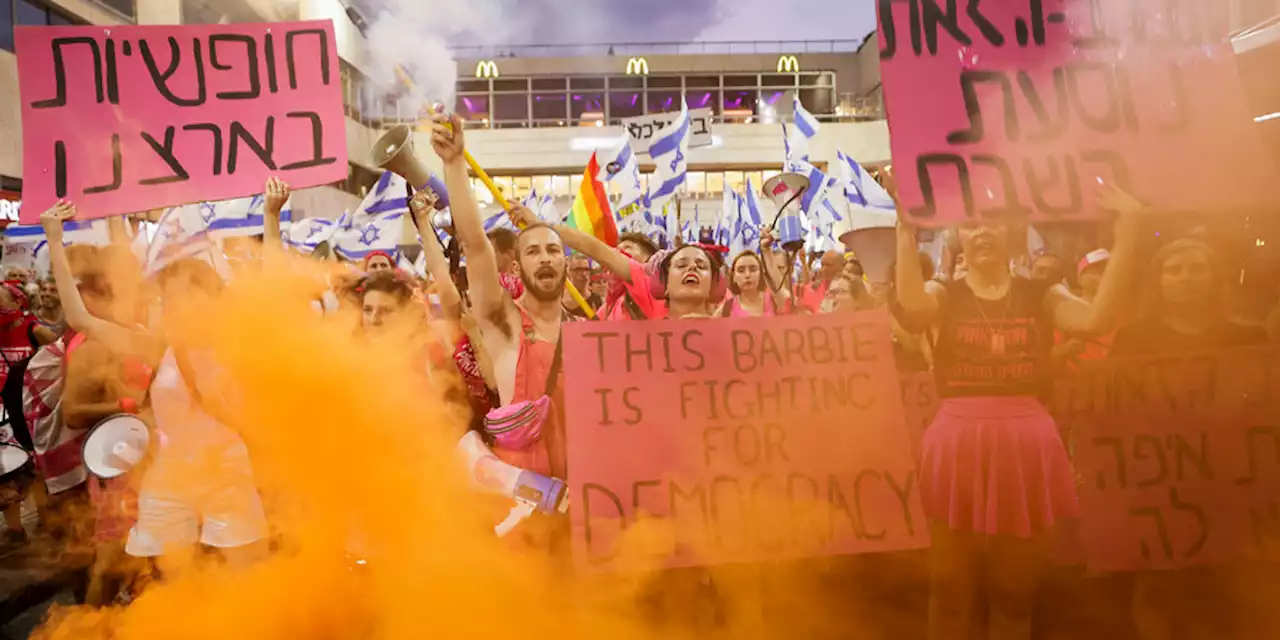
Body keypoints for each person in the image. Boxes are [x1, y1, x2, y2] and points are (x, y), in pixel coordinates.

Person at [894, 181, 1144, 640]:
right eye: (970, 224)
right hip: (956, 447)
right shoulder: (943, 290)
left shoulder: (1041, 291)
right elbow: (912, 309)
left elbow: (1096, 321)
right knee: (949, 593)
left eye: (993, 222)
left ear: (1012, 232)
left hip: (1026, 447)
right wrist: (904, 231)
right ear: (958, 238)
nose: (982, 232)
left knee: (1014, 595)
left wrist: (1128, 235)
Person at [41, 201, 270, 575]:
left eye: (188, 293)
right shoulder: (158, 346)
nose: (177, 304)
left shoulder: (238, 345)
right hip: (170, 475)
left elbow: (276, 295)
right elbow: (82, 319)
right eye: (171, 296)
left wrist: (272, 218)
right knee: (173, 583)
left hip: (227, 471)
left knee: (246, 578)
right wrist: (54, 239)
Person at [429, 110, 574, 484]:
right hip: (524, 499)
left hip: (582, 497)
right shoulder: (504, 322)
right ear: (517, 267)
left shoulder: (586, 332)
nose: (544, 257)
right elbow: (476, 247)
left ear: (566, 266)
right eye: (533, 251)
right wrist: (455, 162)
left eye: (553, 250)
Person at [1110, 239, 1268, 356]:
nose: (1186, 278)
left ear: (1215, 278)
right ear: (1158, 282)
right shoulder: (1132, 339)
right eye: (1174, 270)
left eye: (1198, 268)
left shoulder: (1248, 338)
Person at [508, 206, 664, 321]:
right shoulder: (610, 306)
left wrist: (539, 225)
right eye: (617, 249)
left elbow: (591, 247)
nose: (618, 253)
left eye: (628, 249)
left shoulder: (649, 289)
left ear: (649, 259)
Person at [0, 279, 57, 550]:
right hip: (3, 411)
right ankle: (15, 530)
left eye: (0, 300)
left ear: (16, 301)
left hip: (30, 410)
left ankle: (47, 524)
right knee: (5, 470)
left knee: (35, 470)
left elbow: (62, 358)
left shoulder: (34, 329)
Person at [720, 251, 785, 317]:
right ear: (734, 276)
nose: (747, 275)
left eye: (753, 269)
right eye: (741, 271)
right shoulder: (727, 308)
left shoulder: (775, 301)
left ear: (761, 274)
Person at [563, 254, 603, 319]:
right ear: (569, 272)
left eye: (586, 269)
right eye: (578, 270)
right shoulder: (558, 301)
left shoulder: (599, 301)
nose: (583, 274)